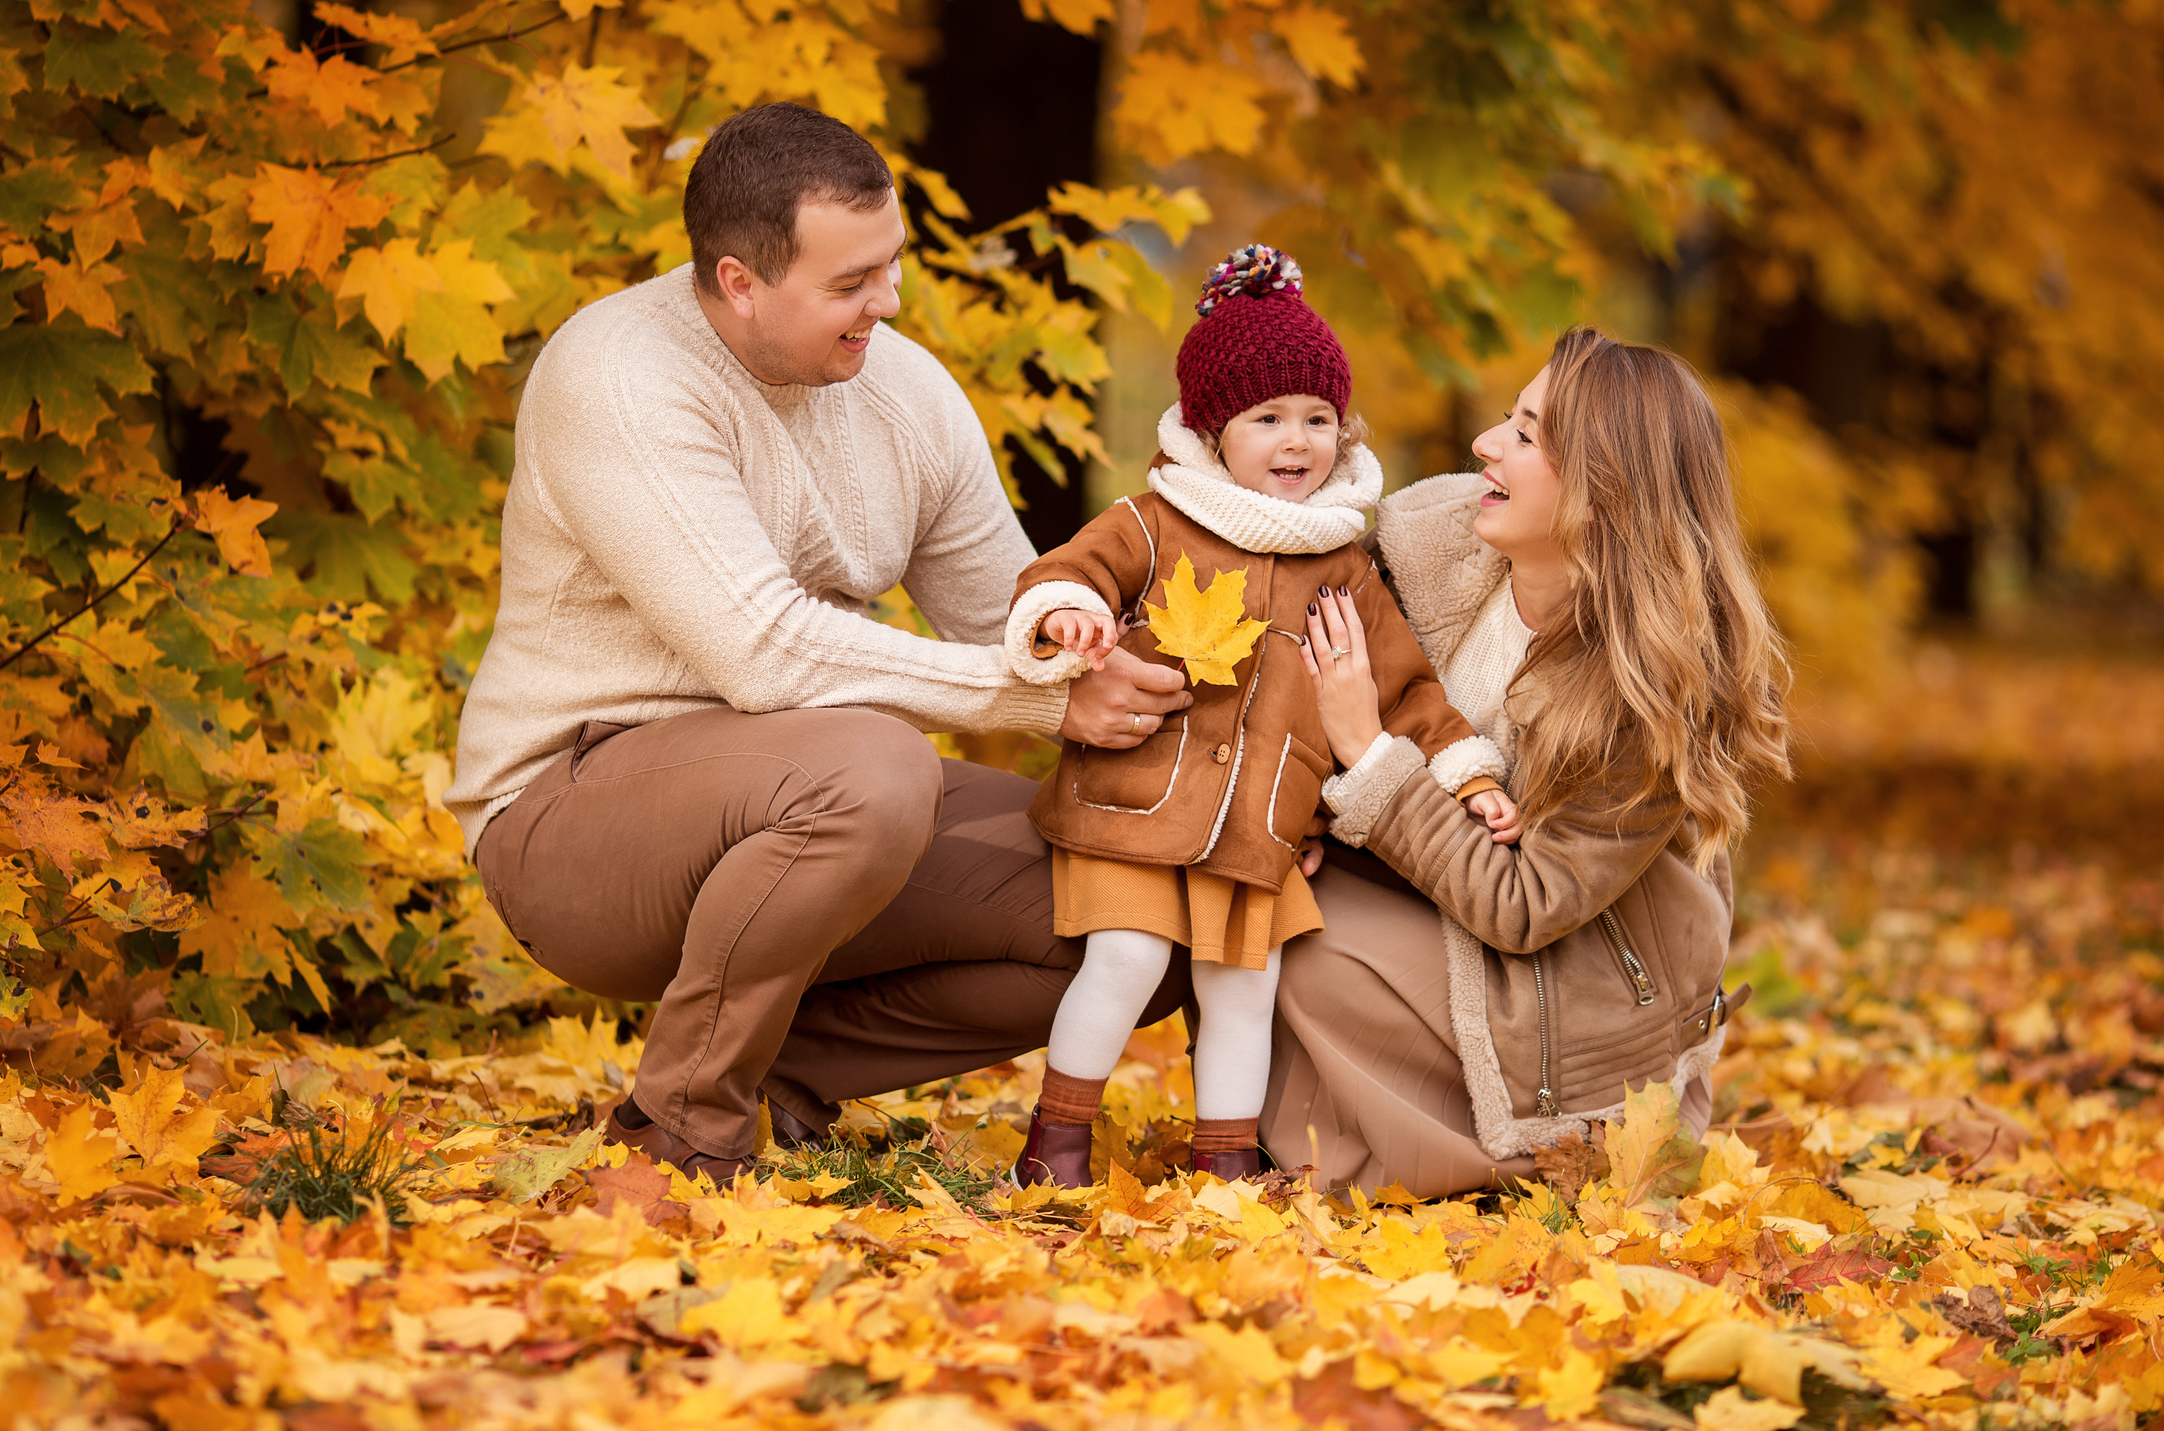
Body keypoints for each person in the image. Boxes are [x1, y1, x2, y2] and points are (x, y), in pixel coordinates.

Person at [447, 102, 1197, 1183]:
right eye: (850, 283)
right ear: (740, 280)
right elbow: (763, 651)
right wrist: (1039, 694)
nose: (885, 303)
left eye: (891, 266)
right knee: (875, 765)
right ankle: (680, 1130)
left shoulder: (904, 391)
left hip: (804, 800)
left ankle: (778, 1073)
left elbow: (1015, 620)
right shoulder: (620, 376)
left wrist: (1205, 751)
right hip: (571, 814)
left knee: (1145, 892)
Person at [994, 245, 1516, 1187]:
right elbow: (1068, 568)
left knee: (1246, 987)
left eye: (1318, 419)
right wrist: (1065, 612)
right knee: (1124, 960)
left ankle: (1227, 1161)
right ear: (1213, 428)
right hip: (1139, 803)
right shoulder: (1157, 520)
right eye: (1267, 417)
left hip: (1258, 825)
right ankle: (1056, 1142)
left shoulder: (1343, 565)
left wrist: (1468, 773)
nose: (1296, 440)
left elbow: (1408, 692)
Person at [1266, 328, 1793, 1197]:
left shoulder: (1649, 688)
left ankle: (1500, 1160)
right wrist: (1305, 815)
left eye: (1524, 432)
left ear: (1604, 484)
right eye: (1505, 420)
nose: (1485, 444)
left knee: (1304, 944)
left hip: (1576, 1000)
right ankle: (1278, 1135)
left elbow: (1524, 906)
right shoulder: (1429, 550)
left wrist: (1366, 752)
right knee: (1249, 891)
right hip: (1441, 909)